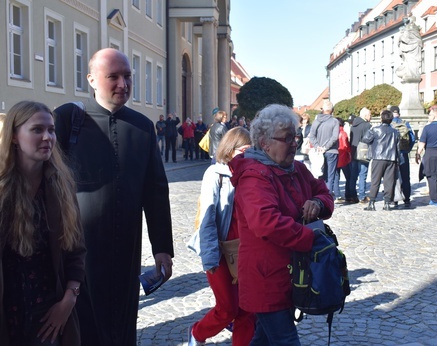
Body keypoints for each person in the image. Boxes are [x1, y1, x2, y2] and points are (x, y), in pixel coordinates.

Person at [54, 48, 174, 345]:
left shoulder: (143, 126)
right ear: (92, 80)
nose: (123, 84)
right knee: (82, 325)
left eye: (127, 76)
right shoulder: (69, 120)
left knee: (122, 324)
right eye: (113, 77)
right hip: (79, 248)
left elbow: (155, 190)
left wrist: (162, 248)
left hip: (126, 248)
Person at [228, 104, 334, 345]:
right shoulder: (254, 176)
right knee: (285, 340)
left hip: (291, 273)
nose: (295, 143)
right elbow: (266, 222)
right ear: (265, 143)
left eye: (295, 137)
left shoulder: (296, 168)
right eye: (287, 139)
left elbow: (324, 193)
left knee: (264, 340)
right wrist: (309, 239)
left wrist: (317, 202)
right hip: (266, 278)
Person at [0, 101, 86, 345]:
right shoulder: (2, 190)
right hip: (8, 318)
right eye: (37, 130)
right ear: (15, 136)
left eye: (51, 130)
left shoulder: (61, 186)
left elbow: (76, 249)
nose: (47, 137)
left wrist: (69, 299)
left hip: (49, 316)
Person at [187, 127, 255, 346]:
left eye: (251, 150)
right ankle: (197, 333)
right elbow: (207, 219)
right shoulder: (215, 174)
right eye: (244, 150)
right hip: (219, 251)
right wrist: (210, 258)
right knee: (227, 308)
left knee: (247, 309)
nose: (248, 155)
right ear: (230, 149)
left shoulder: (253, 174)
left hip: (246, 252)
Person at [361, 110, 400, 211]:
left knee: (375, 181)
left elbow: (365, 139)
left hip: (378, 157)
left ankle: (372, 203)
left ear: (381, 118)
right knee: (389, 181)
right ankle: (387, 203)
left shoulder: (375, 129)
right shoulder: (395, 132)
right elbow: (397, 147)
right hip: (391, 158)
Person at [308, 100, 340, 195]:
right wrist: (325, 147)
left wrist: (318, 146)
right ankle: (328, 197)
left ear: (323, 109)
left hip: (319, 152)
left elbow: (311, 137)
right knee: (330, 176)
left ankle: (320, 196)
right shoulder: (334, 121)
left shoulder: (316, 121)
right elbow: (335, 137)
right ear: (332, 110)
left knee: (321, 175)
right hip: (331, 151)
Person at [390, 105, 416, 208]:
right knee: (406, 178)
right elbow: (413, 138)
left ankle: (395, 199)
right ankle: (407, 199)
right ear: (399, 113)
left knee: (394, 177)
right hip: (404, 153)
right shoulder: (405, 123)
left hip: (393, 154)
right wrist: (408, 150)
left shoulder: (390, 124)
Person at [347, 108, 372, 204]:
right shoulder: (367, 126)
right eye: (370, 115)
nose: (371, 117)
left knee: (353, 175)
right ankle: (362, 196)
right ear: (365, 116)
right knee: (362, 174)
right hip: (363, 152)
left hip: (354, 152)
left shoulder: (353, 125)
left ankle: (352, 195)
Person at [395, 16, 423, 81]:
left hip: (412, 50)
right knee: (410, 63)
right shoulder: (414, 32)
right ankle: (411, 73)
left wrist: (401, 38)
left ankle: (412, 73)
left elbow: (406, 40)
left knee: (411, 63)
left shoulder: (409, 30)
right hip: (412, 50)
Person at [334, 117, 352, 203]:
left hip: (335, 157)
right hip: (344, 157)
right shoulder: (343, 133)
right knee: (348, 177)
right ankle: (348, 194)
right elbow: (345, 146)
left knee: (336, 177)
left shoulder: (333, 132)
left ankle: (338, 195)